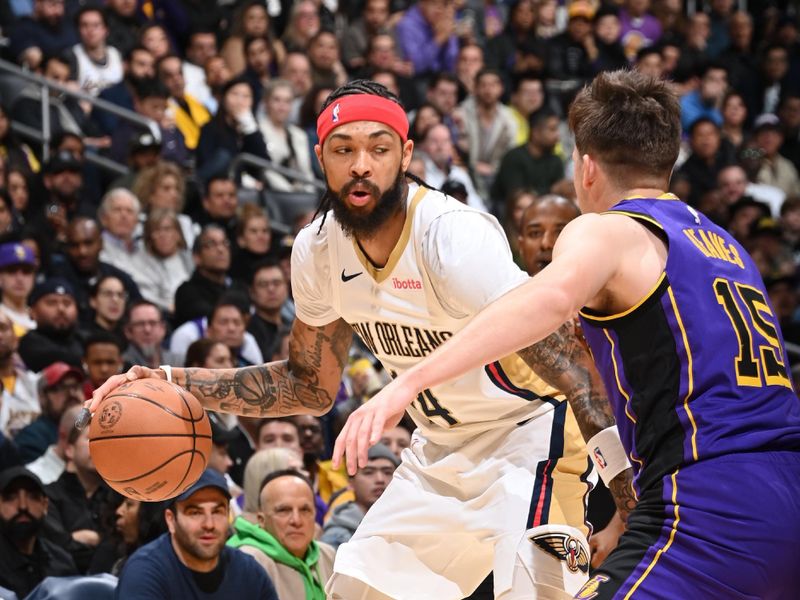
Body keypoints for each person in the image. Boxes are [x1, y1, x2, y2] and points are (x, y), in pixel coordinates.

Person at [89, 80, 626, 599]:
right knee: (355, 590)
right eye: (343, 149)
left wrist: (629, 496)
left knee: (534, 585)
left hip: (532, 433)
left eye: (379, 148)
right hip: (440, 447)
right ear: (321, 157)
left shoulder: (450, 236)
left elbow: (576, 369)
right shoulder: (317, 251)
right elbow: (308, 384)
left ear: (406, 155)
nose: (361, 165)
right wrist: (172, 382)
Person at [339, 70, 800, 598]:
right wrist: (624, 518)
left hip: (711, 505)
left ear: (586, 167)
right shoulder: (725, 246)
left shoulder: (607, 228)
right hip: (784, 494)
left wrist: (407, 382)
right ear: (667, 161)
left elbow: (549, 301)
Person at [115, 469, 278, 599]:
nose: (209, 524)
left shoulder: (249, 572)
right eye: (195, 513)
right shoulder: (144, 572)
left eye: (217, 512)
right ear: (171, 520)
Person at [227, 469, 336, 600]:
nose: (296, 520)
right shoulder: (247, 561)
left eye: (305, 510)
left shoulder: (328, 554)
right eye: (284, 510)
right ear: (261, 520)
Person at [0, 466, 77, 597]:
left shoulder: (62, 562)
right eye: (10, 497)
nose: (23, 506)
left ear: (45, 505)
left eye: (33, 496)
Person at [321, 443, 397, 549]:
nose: (380, 479)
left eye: (387, 472)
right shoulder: (337, 534)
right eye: (369, 472)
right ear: (350, 483)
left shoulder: (407, 522)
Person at [14, 363, 84, 463]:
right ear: (42, 397)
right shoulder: (31, 438)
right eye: (61, 388)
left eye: (75, 386)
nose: (72, 393)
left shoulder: (93, 428)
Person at [18, 280, 84, 372]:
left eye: (67, 303)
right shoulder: (28, 343)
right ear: (32, 311)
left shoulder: (84, 340)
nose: (61, 309)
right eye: (51, 303)